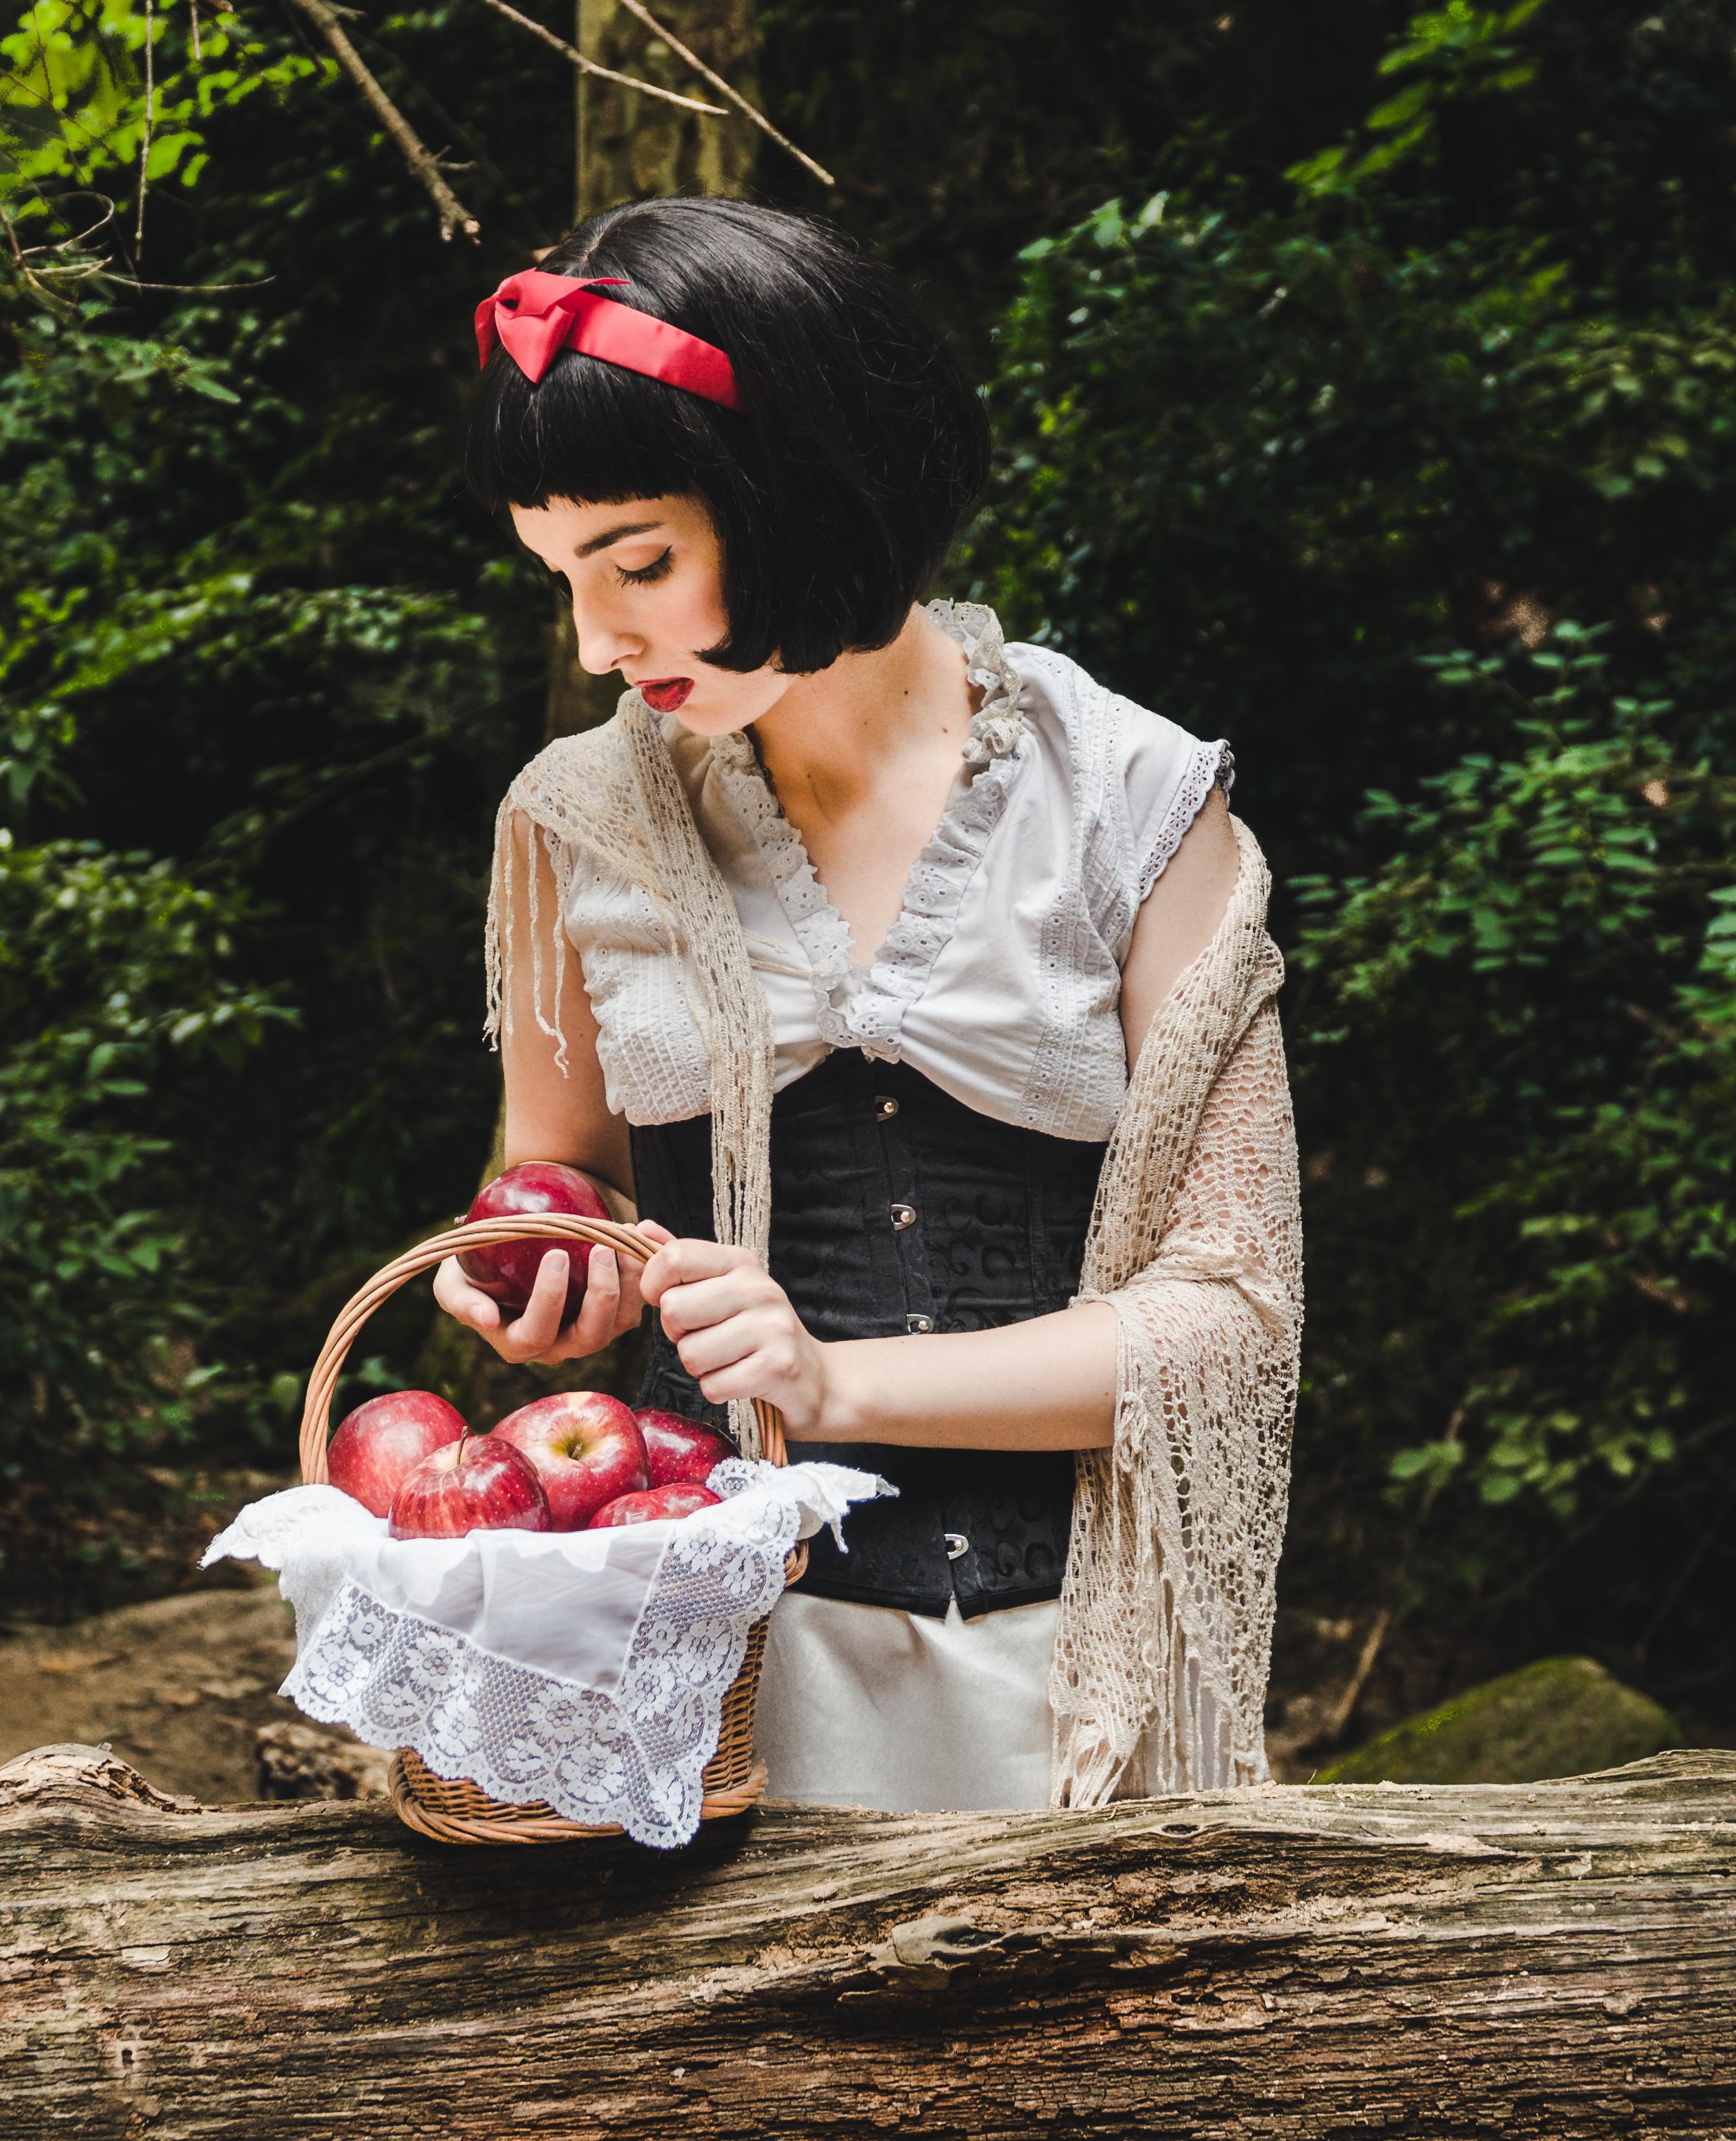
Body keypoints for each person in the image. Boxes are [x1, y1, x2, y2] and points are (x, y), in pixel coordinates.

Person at [432, 197, 1303, 1811]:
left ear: (803, 501)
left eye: (640, 562)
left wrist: (832, 1384)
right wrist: (553, 1267)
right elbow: (569, 1179)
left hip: (1072, 1677)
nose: (597, 639)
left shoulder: (1134, 803)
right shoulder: (574, 825)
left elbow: (1233, 1323)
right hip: (720, 1675)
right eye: (560, 576)